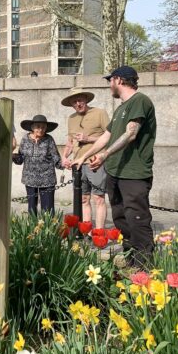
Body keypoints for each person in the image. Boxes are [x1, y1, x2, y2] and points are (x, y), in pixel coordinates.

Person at [72, 66, 156, 267]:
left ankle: (145, 266)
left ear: (118, 80)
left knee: (136, 217)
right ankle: (131, 259)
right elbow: (106, 136)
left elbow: (131, 133)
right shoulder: (120, 108)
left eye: (110, 80)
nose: (109, 84)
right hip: (115, 172)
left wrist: (104, 155)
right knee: (120, 218)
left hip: (134, 174)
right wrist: (84, 157)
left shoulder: (140, 101)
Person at [61, 88, 110, 228]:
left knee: (98, 198)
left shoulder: (100, 113)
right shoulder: (71, 118)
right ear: (71, 104)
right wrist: (64, 157)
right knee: (83, 199)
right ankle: (87, 232)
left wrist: (88, 138)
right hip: (77, 164)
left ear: (86, 100)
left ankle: (99, 232)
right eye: (74, 102)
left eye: (80, 100)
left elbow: (110, 136)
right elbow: (70, 142)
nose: (78, 104)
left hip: (95, 163)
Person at [17, 115, 63, 215]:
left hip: (47, 179)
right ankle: (33, 229)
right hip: (29, 178)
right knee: (32, 209)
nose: (41, 129)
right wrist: (13, 157)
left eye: (43, 127)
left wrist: (65, 164)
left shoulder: (49, 139)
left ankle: (48, 229)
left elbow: (56, 158)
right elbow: (20, 158)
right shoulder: (25, 139)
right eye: (38, 126)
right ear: (32, 127)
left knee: (48, 210)